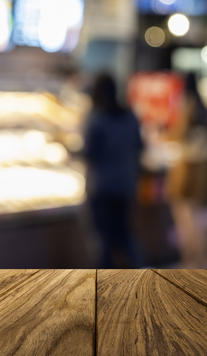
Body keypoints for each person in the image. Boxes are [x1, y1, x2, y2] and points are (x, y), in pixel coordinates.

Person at [82, 73, 145, 268]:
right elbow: (139, 147)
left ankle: (103, 282)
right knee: (125, 235)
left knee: (103, 239)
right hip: (126, 184)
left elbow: (89, 153)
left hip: (101, 186)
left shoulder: (95, 118)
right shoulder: (130, 116)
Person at [165, 72, 207, 268]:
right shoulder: (204, 107)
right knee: (197, 214)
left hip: (187, 166)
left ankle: (192, 258)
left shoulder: (187, 104)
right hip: (202, 165)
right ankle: (205, 257)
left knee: (183, 213)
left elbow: (179, 132)